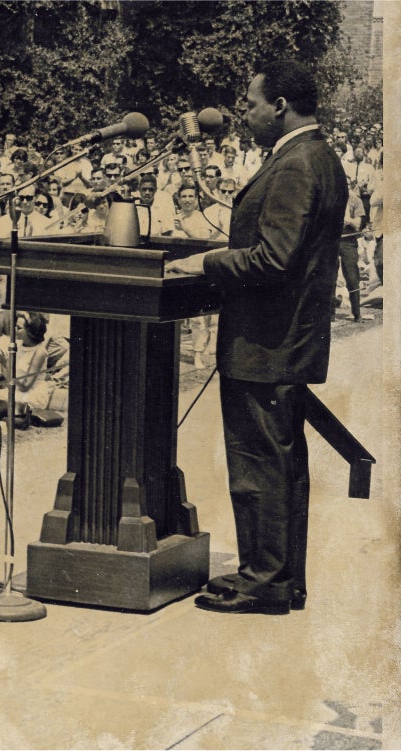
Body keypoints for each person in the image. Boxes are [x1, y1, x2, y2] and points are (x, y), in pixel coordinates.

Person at [169, 61, 347, 615]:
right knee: (281, 464)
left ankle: (264, 581)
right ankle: (277, 576)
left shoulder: (297, 163)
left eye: (250, 104)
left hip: (269, 342)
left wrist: (208, 261)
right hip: (284, 339)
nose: (243, 114)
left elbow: (274, 258)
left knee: (259, 463)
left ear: (281, 104)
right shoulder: (313, 154)